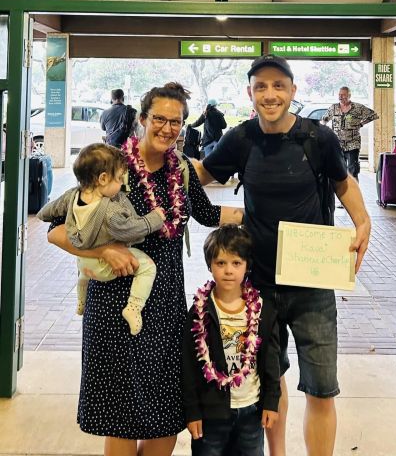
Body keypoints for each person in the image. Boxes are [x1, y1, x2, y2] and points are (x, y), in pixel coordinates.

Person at [47, 82, 243, 456]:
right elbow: (56, 229)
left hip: (166, 304)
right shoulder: (110, 166)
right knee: (121, 418)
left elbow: (206, 214)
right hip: (115, 306)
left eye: (177, 121)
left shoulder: (182, 168)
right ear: (142, 119)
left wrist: (262, 217)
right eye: (160, 119)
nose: (168, 128)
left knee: (168, 415)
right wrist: (105, 249)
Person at [191, 54, 371, 456]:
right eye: (260, 86)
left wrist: (363, 224)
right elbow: (199, 174)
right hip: (260, 287)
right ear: (250, 93)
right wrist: (152, 165)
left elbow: (343, 185)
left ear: (293, 91)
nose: (269, 94)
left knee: (322, 389)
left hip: (313, 286)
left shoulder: (317, 138)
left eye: (278, 85)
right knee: (270, 383)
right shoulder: (240, 139)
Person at [37, 143, 166, 335]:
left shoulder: (72, 196)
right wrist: (156, 218)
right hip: (105, 268)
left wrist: (45, 215)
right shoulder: (110, 211)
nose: (122, 184)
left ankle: (81, 299)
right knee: (148, 267)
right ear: (103, 178)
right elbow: (132, 230)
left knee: (84, 273)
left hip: (84, 263)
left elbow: (48, 211)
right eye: (120, 178)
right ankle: (133, 308)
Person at [182, 224, 281, 456]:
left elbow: (271, 360)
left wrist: (271, 402)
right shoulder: (200, 311)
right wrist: (192, 411)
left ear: (247, 266)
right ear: (210, 265)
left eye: (236, 263)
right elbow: (188, 365)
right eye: (220, 263)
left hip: (251, 410)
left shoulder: (262, 311)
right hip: (211, 414)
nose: (228, 270)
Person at [322, 86, 379, 182]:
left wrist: (361, 124)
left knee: (353, 169)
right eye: (339, 94)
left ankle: (354, 192)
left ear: (349, 95)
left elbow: (373, 115)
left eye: (343, 95)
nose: (340, 97)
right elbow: (324, 120)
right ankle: (342, 191)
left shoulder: (358, 108)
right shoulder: (334, 108)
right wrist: (323, 131)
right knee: (339, 170)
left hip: (353, 144)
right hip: (338, 144)